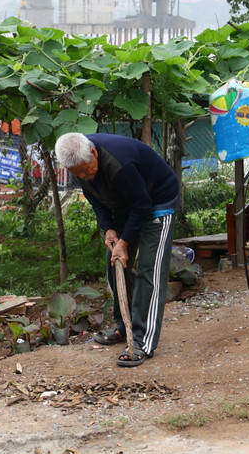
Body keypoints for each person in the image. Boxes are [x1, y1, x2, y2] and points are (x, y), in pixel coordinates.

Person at [54, 132, 180, 367]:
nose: (84, 177)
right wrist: (109, 228)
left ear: (93, 152)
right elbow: (95, 199)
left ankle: (142, 341)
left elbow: (142, 205)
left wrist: (125, 242)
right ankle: (124, 325)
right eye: (77, 174)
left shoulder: (120, 162)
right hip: (127, 204)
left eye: (86, 171)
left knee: (150, 271)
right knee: (115, 262)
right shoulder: (79, 164)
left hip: (157, 201)